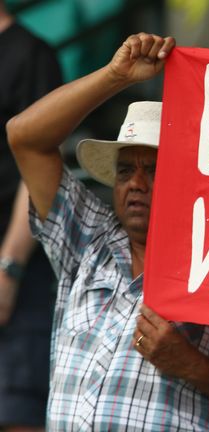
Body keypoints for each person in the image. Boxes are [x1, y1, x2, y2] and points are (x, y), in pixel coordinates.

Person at [6, 33, 209, 430]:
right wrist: (115, 76)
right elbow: (24, 137)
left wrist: (193, 366)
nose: (136, 184)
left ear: (190, 181)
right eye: (125, 171)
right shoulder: (88, 243)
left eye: (154, 170)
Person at [0, 1, 60, 430]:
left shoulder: (30, 54)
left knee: (19, 410)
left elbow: (39, 171)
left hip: (21, 272)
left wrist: (8, 267)